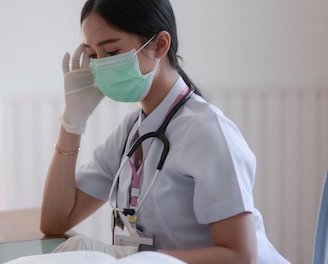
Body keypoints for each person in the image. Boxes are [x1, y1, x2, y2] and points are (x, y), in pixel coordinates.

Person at [40, 0, 289, 263]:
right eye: (93, 55)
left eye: (111, 52)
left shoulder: (207, 131)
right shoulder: (132, 133)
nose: (100, 66)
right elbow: (55, 220)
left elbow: (240, 256)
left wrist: (132, 257)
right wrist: (73, 121)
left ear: (159, 45)